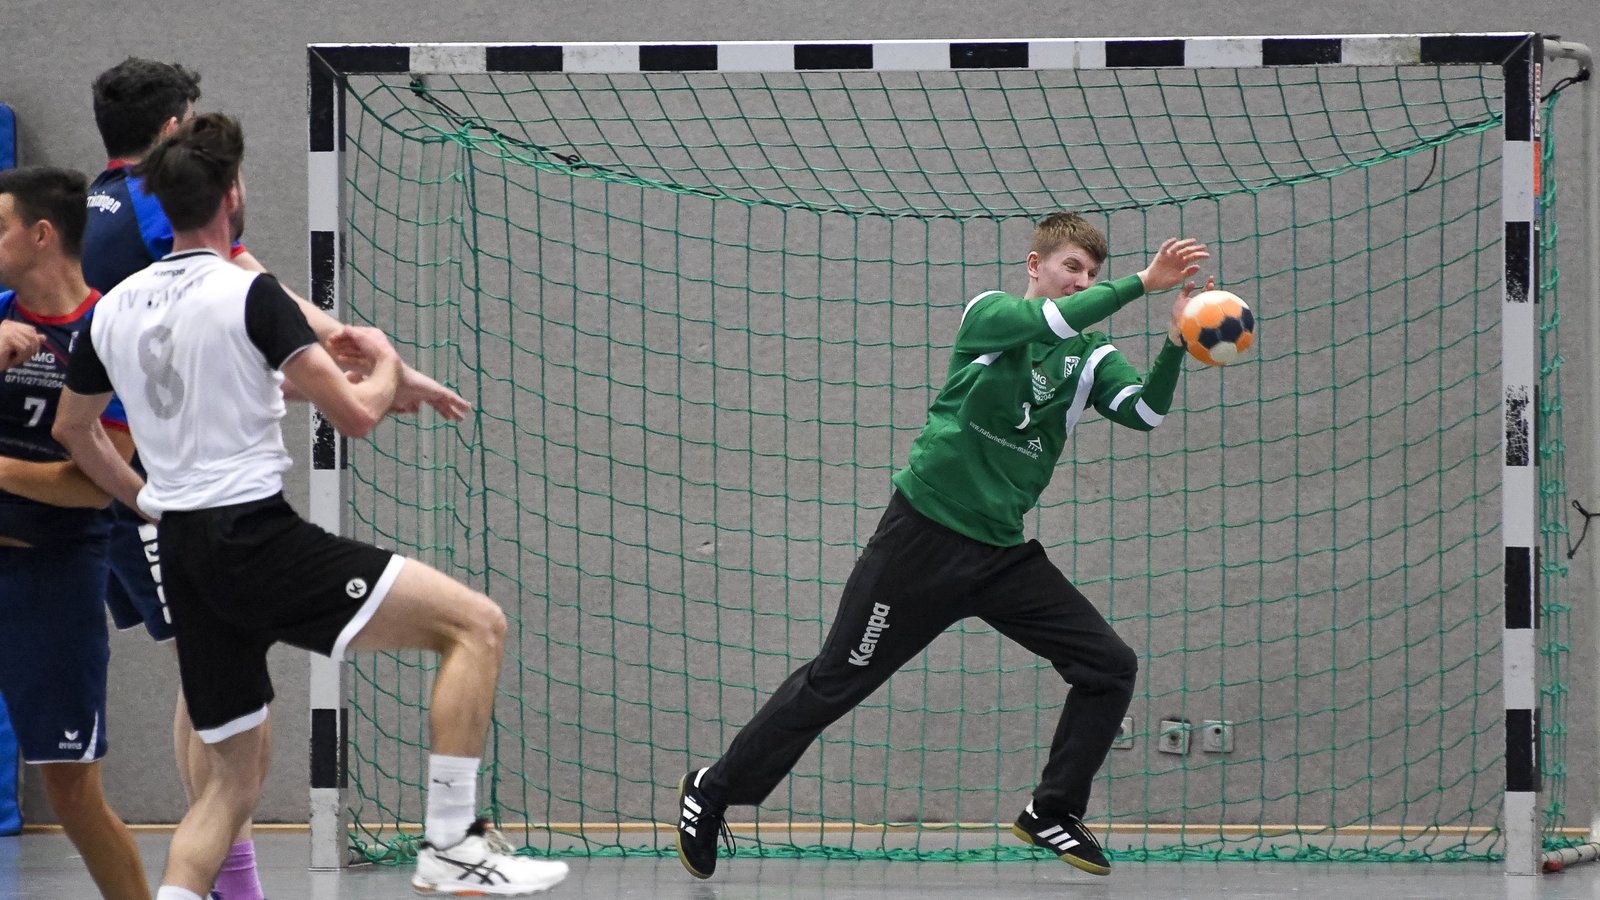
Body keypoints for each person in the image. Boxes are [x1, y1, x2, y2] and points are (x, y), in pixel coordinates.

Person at [56, 112, 567, 900]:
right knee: (476, 625)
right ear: (232, 195)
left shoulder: (112, 308)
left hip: (187, 554)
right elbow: (355, 415)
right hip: (259, 542)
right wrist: (391, 362)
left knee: (228, 788)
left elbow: (74, 428)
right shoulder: (251, 292)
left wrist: (147, 501)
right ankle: (452, 846)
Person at [673, 212, 1213, 879]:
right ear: (1034, 266)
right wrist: (1142, 282)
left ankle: (1052, 810)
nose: (1081, 282)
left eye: (1091, 274)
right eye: (1071, 267)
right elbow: (1047, 324)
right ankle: (714, 788)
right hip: (920, 542)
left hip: (998, 556)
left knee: (1109, 665)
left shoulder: (1091, 357)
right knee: (834, 682)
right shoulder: (990, 316)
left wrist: (1177, 343)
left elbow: (1144, 412)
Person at [0, 166, 148, 900]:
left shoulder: (108, 333)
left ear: (41, 234)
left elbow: (95, 485)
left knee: (71, 791)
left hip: (50, 582)